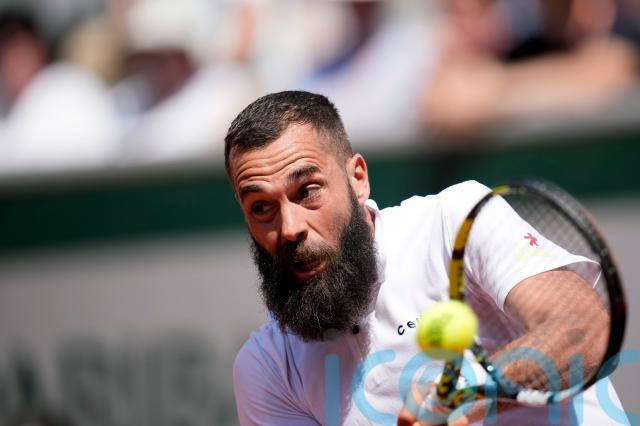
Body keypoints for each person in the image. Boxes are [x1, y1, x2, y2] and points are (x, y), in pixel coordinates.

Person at [226, 91, 627, 425]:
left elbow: (584, 330)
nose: (290, 227)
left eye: (308, 191)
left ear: (357, 179)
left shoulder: (457, 219)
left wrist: (467, 393)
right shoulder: (266, 367)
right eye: (261, 208)